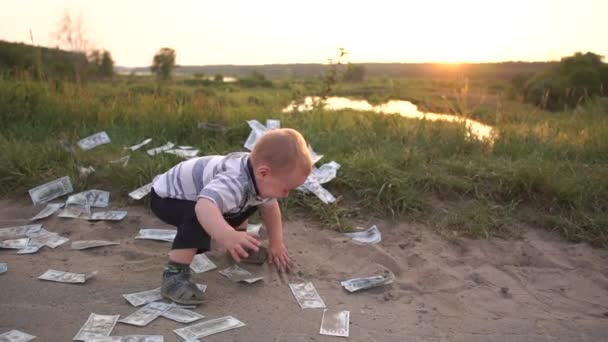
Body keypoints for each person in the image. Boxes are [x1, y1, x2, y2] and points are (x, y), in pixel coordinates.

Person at [149, 128, 313, 304]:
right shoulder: (235, 182)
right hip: (169, 198)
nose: (286, 195)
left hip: (205, 198)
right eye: (285, 188)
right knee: (198, 220)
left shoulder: (259, 177)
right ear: (264, 173)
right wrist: (227, 235)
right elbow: (204, 207)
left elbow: (271, 208)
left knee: (250, 202)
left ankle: (239, 246)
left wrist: (276, 243)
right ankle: (174, 275)